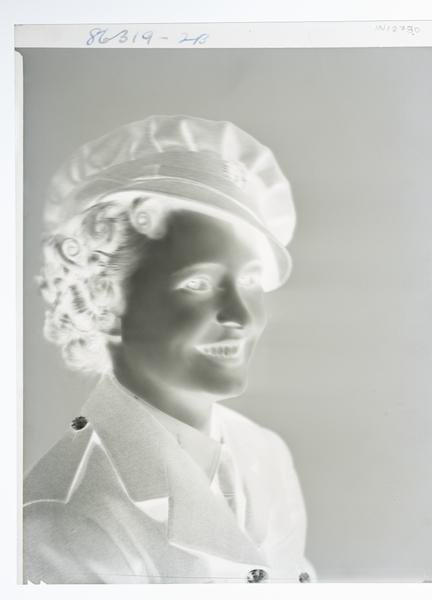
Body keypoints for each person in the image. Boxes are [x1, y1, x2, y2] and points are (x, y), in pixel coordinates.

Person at [23, 115, 315, 584]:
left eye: (250, 281)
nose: (239, 315)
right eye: (197, 284)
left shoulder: (264, 452)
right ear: (105, 298)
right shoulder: (63, 519)